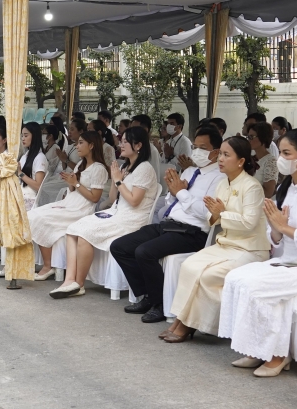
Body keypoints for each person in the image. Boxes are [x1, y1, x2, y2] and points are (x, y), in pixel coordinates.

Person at [218, 128, 297, 377]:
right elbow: (277, 241)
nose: (280, 158)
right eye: (281, 152)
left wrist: (285, 228)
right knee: (235, 278)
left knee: (257, 286)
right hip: (289, 261)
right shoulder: (288, 187)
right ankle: (257, 347)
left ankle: (277, 354)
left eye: (286, 153)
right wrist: (276, 229)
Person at [111, 127, 224, 321]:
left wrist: (182, 193)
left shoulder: (220, 179)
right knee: (120, 246)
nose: (197, 152)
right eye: (195, 147)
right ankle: (148, 294)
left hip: (192, 232)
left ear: (215, 152)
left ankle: (159, 303)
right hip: (169, 224)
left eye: (203, 148)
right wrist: (174, 193)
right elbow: (171, 202)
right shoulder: (190, 171)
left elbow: (206, 213)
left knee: (144, 252)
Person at [162, 137, 268, 342]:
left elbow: (249, 223)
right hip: (225, 245)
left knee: (207, 276)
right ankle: (181, 319)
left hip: (248, 249)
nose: (220, 159)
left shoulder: (252, 187)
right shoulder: (222, 184)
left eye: (226, 155)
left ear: (241, 161)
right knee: (189, 265)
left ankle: (189, 324)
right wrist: (216, 214)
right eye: (220, 154)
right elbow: (212, 219)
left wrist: (222, 213)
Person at [50, 127, 158, 299]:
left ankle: (79, 284)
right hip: (116, 212)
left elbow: (134, 201)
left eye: (125, 142)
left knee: (84, 233)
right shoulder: (126, 166)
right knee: (72, 229)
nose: (120, 144)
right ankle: (69, 280)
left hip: (132, 218)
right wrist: (116, 180)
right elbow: (114, 198)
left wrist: (118, 180)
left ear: (138, 145)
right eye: (121, 141)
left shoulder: (145, 168)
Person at [31, 131, 109, 280]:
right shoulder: (80, 164)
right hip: (69, 202)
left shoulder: (99, 169)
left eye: (81, 143)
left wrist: (76, 183)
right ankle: (33, 261)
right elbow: (73, 189)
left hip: (81, 209)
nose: (77, 146)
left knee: (41, 218)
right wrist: (71, 183)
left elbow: (95, 198)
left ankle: (48, 266)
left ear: (91, 145)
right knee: (34, 214)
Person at [0, 122, 47, 263]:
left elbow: (38, 186)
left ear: (35, 136)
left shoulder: (40, 158)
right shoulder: (25, 155)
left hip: (29, 199)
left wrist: (20, 173)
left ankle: (4, 246)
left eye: (26, 135)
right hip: (17, 194)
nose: (22, 139)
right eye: (21, 136)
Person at [248, 122, 277, 198]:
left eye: (251, 137)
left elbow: (268, 193)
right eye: (248, 137)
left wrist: (247, 188)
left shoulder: (270, 161)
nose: (249, 140)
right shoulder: (251, 157)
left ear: (262, 137)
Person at [130, 114, 161, 179]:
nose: (131, 132)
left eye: (134, 129)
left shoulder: (152, 150)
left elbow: (155, 176)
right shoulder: (132, 147)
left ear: (145, 130)